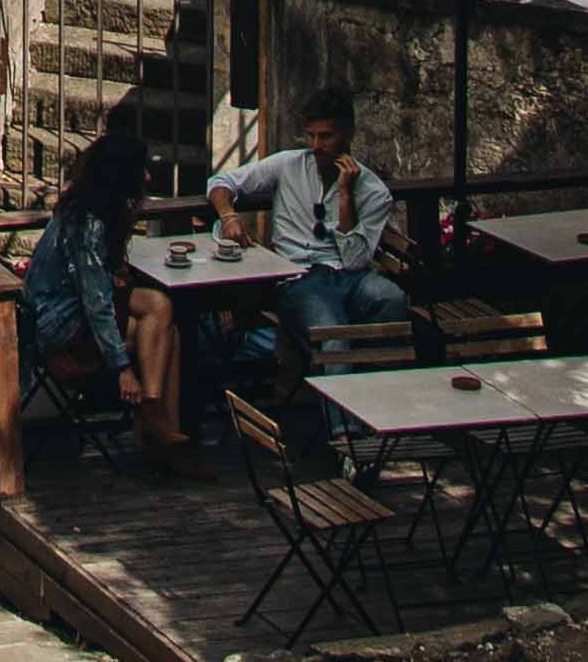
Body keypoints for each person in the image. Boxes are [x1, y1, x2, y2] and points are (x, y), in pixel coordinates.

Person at [22, 103, 196, 460]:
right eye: (141, 170)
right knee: (161, 313)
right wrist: (122, 368)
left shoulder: (88, 208)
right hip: (59, 327)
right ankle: (153, 420)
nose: (147, 178)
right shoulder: (86, 225)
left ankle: (162, 429)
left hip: (68, 308)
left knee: (168, 325)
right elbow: (96, 302)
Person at [210, 94, 400, 397]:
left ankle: (380, 396)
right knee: (333, 331)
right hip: (300, 277)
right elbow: (221, 183)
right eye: (311, 136)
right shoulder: (289, 164)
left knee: (392, 297)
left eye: (325, 136)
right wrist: (229, 215)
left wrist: (346, 196)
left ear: (348, 134)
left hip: (348, 276)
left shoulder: (373, 191)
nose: (316, 145)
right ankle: (344, 431)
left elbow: (354, 261)